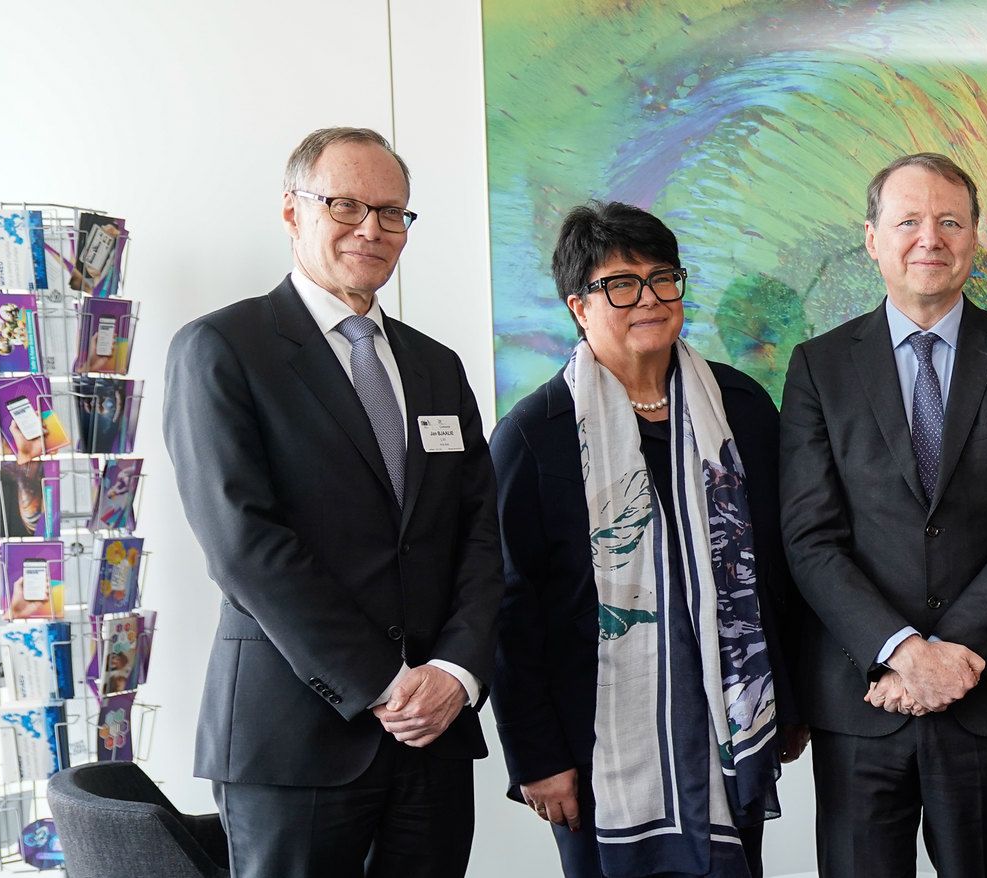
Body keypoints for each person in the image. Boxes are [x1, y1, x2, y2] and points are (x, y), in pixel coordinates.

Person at [163, 126, 502, 877]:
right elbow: (245, 547)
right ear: (292, 211)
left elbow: (481, 535)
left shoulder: (435, 366)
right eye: (345, 205)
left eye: (392, 212)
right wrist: (384, 685)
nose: (371, 230)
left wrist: (457, 672)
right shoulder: (223, 348)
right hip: (295, 737)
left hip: (436, 734)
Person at [778, 152, 987, 878]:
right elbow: (810, 535)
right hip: (863, 692)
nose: (929, 238)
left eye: (950, 221)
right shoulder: (819, 366)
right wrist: (905, 652)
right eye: (908, 220)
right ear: (873, 238)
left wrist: (959, 654)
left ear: (975, 236)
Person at [488, 202, 805, 878]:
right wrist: (538, 759)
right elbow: (510, 610)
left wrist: (789, 700)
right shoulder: (534, 435)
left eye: (664, 278)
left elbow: (778, 567)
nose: (650, 300)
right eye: (622, 285)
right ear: (579, 305)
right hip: (593, 744)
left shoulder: (740, 408)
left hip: (729, 723)